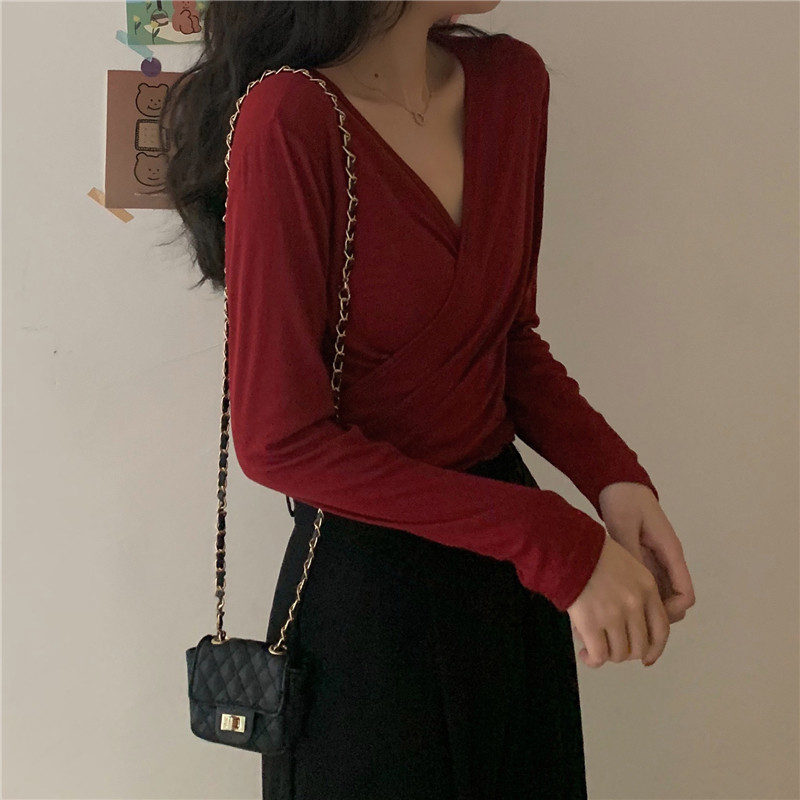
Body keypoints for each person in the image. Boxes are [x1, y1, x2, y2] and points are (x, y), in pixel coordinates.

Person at [163, 2, 696, 798]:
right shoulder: (290, 117)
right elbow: (279, 442)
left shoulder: (511, 86)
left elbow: (504, 338)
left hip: (510, 590)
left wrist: (614, 478)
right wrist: (553, 539)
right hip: (369, 609)